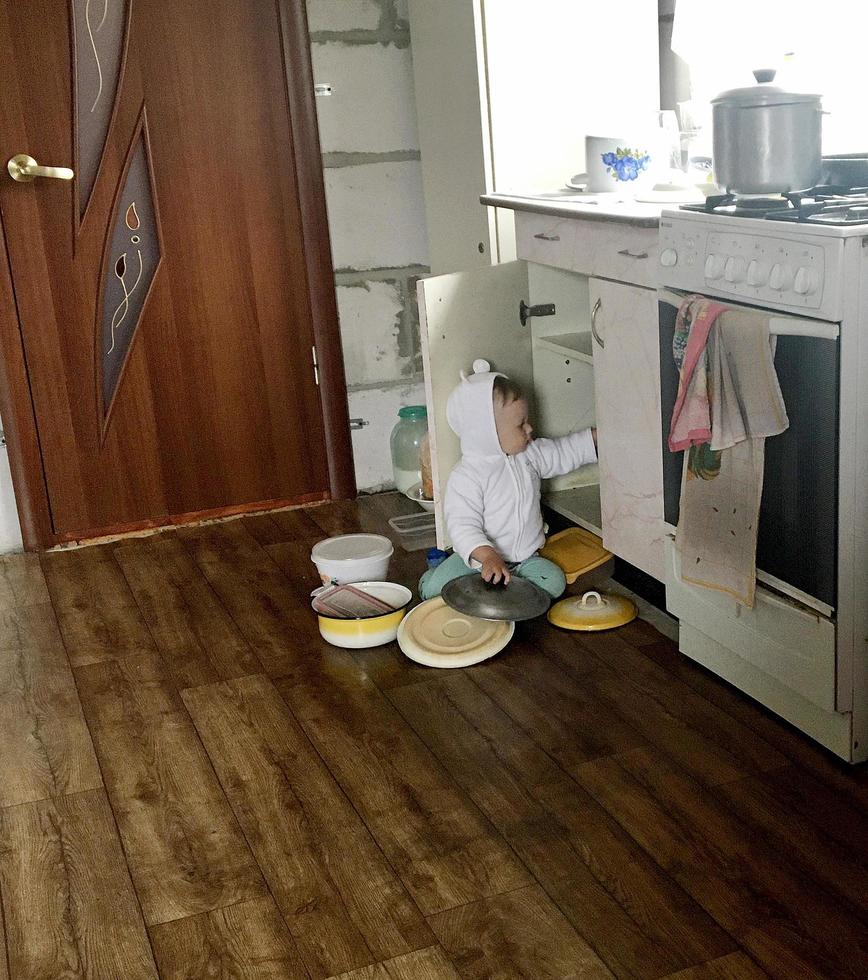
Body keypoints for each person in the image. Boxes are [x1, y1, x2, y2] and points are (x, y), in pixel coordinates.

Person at [419, 367, 597, 600]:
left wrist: (593, 438)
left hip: (525, 559)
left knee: (553, 582)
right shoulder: (467, 476)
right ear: (486, 433)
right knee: (435, 591)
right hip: (479, 562)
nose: (529, 428)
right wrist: (488, 556)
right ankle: (439, 578)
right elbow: (463, 525)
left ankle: (503, 592)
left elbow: (562, 452)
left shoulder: (529, 454)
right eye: (520, 425)